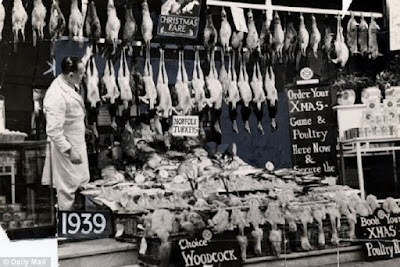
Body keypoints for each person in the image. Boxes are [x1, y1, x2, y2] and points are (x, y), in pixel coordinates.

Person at [41, 56, 89, 211]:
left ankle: (80, 222)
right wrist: (69, 150)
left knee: (80, 183)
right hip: (65, 151)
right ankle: (65, 227)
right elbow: (53, 131)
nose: (83, 77)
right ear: (71, 75)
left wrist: (82, 128)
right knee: (67, 190)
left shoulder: (69, 84)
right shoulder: (56, 95)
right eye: (81, 74)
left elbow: (70, 117)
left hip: (76, 144)